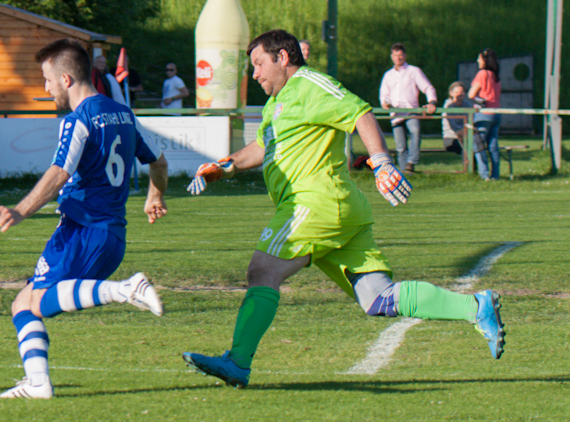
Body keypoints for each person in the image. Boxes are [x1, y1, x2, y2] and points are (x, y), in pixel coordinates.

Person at [181, 29, 505, 389]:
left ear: (282, 58)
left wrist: (382, 162)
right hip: (335, 211)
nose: (254, 74)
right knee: (378, 297)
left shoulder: (310, 85)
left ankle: (238, 362)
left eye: (258, 64)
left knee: (262, 271)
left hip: (313, 204)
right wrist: (221, 167)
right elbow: (259, 149)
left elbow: (359, 113)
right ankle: (476, 307)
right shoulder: (277, 103)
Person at [0, 38, 169, 399]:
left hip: (81, 231)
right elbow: (159, 163)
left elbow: (60, 172)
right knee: (23, 303)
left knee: (37, 302)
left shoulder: (77, 120)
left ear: (66, 79)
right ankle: (37, 383)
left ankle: (125, 289)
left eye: (47, 79)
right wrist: (155, 195)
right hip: (112, 236)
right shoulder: (123, 114)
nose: (46, 88)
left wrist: (21, 210)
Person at [378, 43, 437, 173]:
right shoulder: (388, 75)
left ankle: (411, 161)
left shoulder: (413, 71)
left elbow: (427, 87)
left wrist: (432, 102)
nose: (398, 58)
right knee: (400, 146)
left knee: (415, 131)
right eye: (395, 55)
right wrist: (385, 103)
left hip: (411, 110)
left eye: (400, 55)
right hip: (395, 113)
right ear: (391, 56)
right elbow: (384, 94)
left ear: (405, 56)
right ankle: (405, 171)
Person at [469, 48, 502, 180]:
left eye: (479, 58)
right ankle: (495, 175)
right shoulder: (496, 75)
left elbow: (471, 94)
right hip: (496, 113)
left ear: (485, 60)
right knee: (493, 146)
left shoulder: (482, 74)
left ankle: (484, 174)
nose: (477, 61)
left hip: (484, 114)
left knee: (478, 144)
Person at [441, 81, 472, 154]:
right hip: (451, 137)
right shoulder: (448, 106)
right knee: (469, 147)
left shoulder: (468, 105)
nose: (459, 94)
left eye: (462, 92)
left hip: (466, 136)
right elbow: (454, 126)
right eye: (457, 92)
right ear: (451, 93)